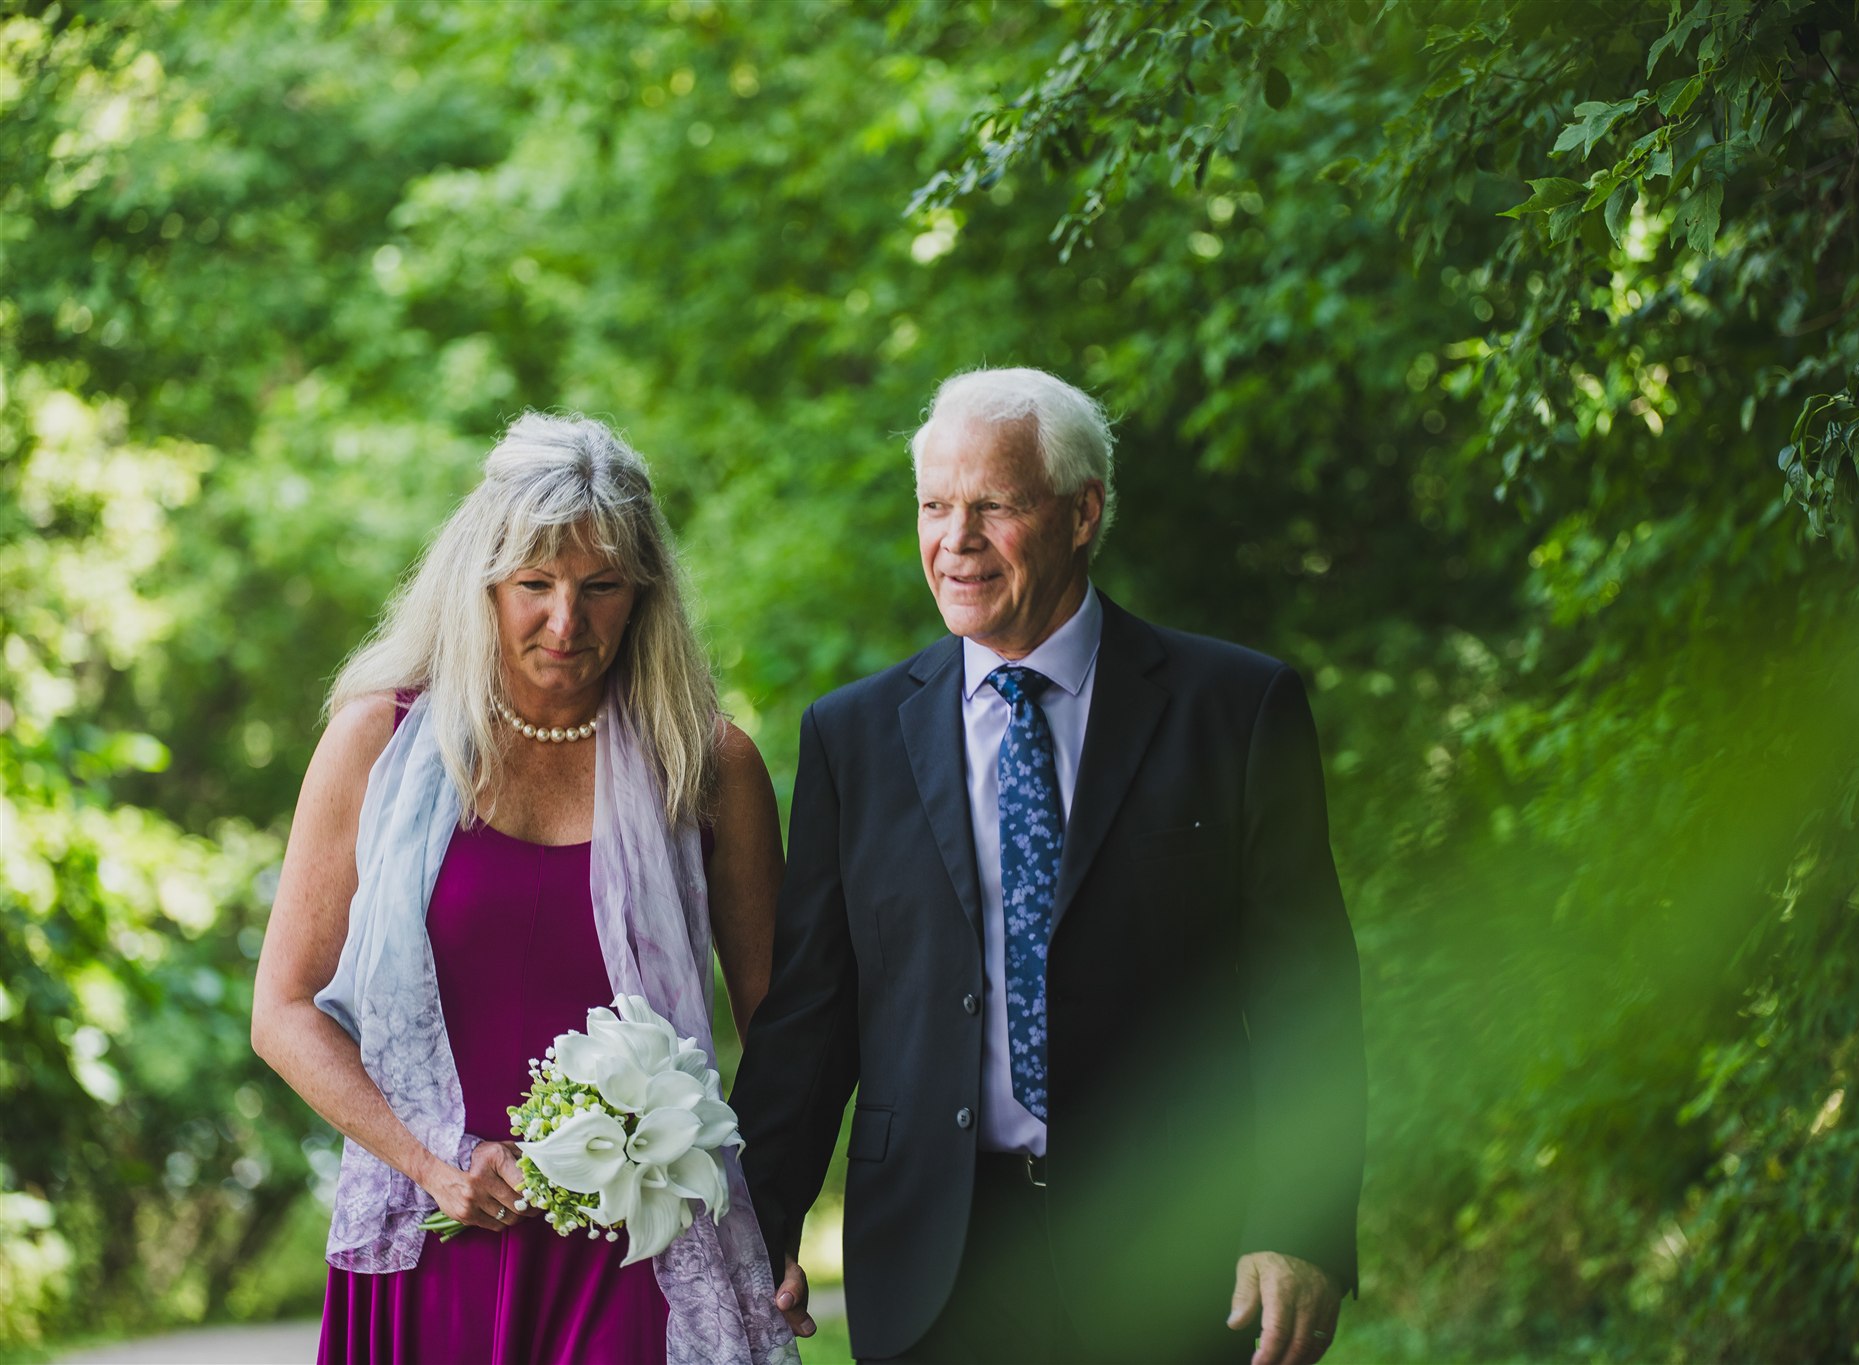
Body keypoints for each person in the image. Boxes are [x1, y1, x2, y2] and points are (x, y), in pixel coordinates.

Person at [730, 368, 1367, 1364]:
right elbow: (812, 1012)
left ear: (1082, 512)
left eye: (995, 505)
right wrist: (757, 1218)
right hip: (931, 1266)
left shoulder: (1234, 710)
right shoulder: (852, 737)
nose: (956, 539)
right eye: (935, 507)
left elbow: (1305, 996)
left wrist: (1299, 1221)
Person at [252, 413, 797, 1365]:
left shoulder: (705, 767)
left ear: (645, 596)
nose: (565, 621)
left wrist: (785, 1213)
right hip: (436, 1239)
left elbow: (781, 1022)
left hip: (646, 1252)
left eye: (600, 588)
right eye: (534, 585)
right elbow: (284, 1009)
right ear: (483, 584)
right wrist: (432, 1163)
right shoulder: (377, 744)